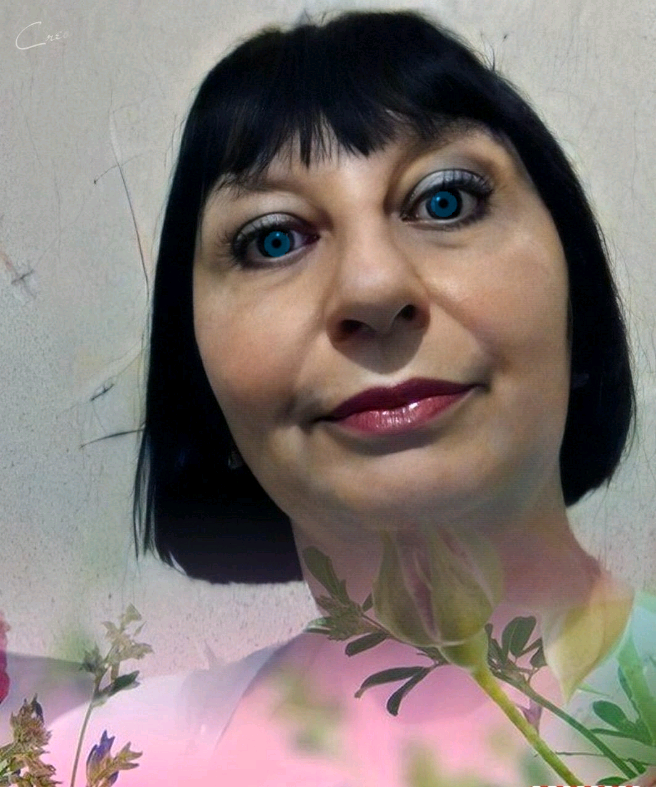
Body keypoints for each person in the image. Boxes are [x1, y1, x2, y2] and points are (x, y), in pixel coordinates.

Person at [40, 9, 656, 786]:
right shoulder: (91, 764)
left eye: (445, 200)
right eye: (273, 239)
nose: (372, 286)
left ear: (578, 301)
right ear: (198, 378)